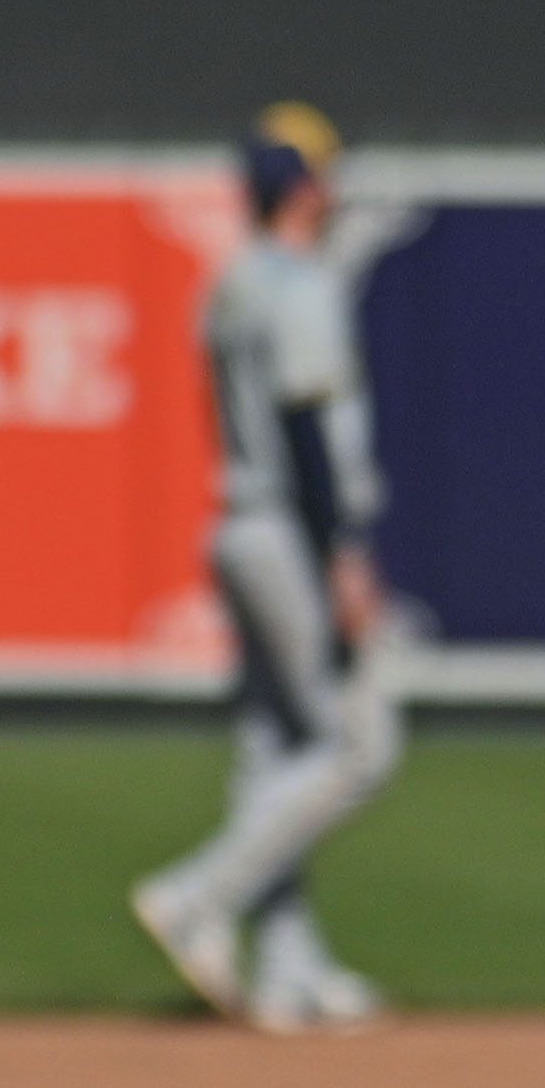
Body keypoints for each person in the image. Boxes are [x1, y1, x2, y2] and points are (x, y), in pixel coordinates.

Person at [130, 104, 402, 1034]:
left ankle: (289, 966)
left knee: (275, 746)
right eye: (324, 174)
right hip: (291, 528)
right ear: (305, 186)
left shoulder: (231, 282)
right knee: (359, 746)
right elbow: (306, 425)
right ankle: (197, 894)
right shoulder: (299, 284)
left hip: (239, 521)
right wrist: (345, 557)